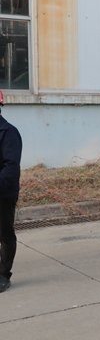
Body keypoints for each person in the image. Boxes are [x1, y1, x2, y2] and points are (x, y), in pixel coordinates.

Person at [0, 90, 22, 293]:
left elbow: (11, 166)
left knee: (5, 233)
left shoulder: (8, 132)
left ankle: (3, 275)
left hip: (4, 193)